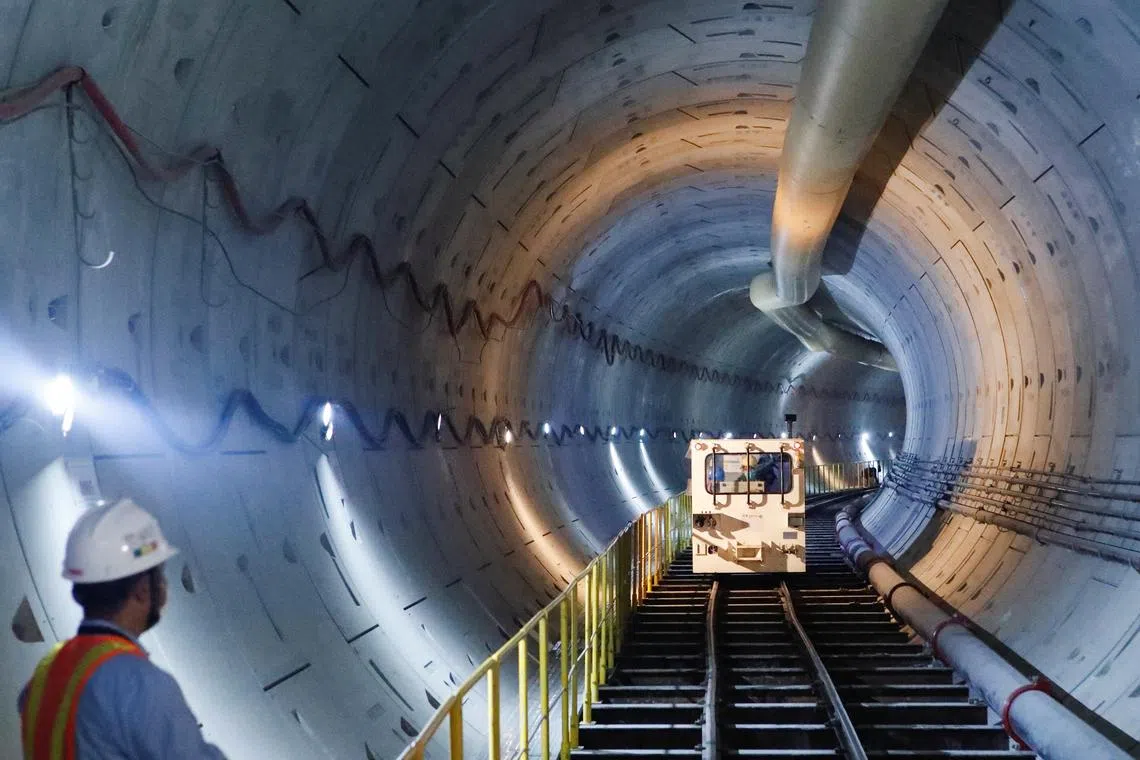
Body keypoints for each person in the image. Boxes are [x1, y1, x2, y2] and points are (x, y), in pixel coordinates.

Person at [18, 499, 227, 759]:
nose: (164, 585)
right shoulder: (139, 684)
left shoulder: (43, 676)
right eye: (159, 574)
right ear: (142, 589)